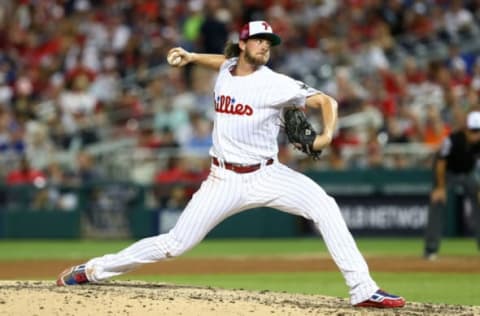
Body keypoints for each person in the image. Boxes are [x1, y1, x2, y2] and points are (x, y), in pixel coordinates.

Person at [56, 20, 405, 309]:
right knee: (174, 244)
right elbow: (221, 63)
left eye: (269, 42)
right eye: (258, 40)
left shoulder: (275, 83)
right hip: (222, 179)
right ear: (242, 45)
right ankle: (94, 270)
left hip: (268, 174)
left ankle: (362, 288)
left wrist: (327, 133)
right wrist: (192, 56)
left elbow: (325, 100)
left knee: (324, 206)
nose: (265, 46)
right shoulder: (226, 69)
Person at [424, 111, 480, 260]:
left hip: (468, 174)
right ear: (466, 129)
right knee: (437, 202)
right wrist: (440, 188)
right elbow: (441, 163)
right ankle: (431, 249)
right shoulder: (452, 140)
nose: (477, 134)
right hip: (447, 174)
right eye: (474, 130)